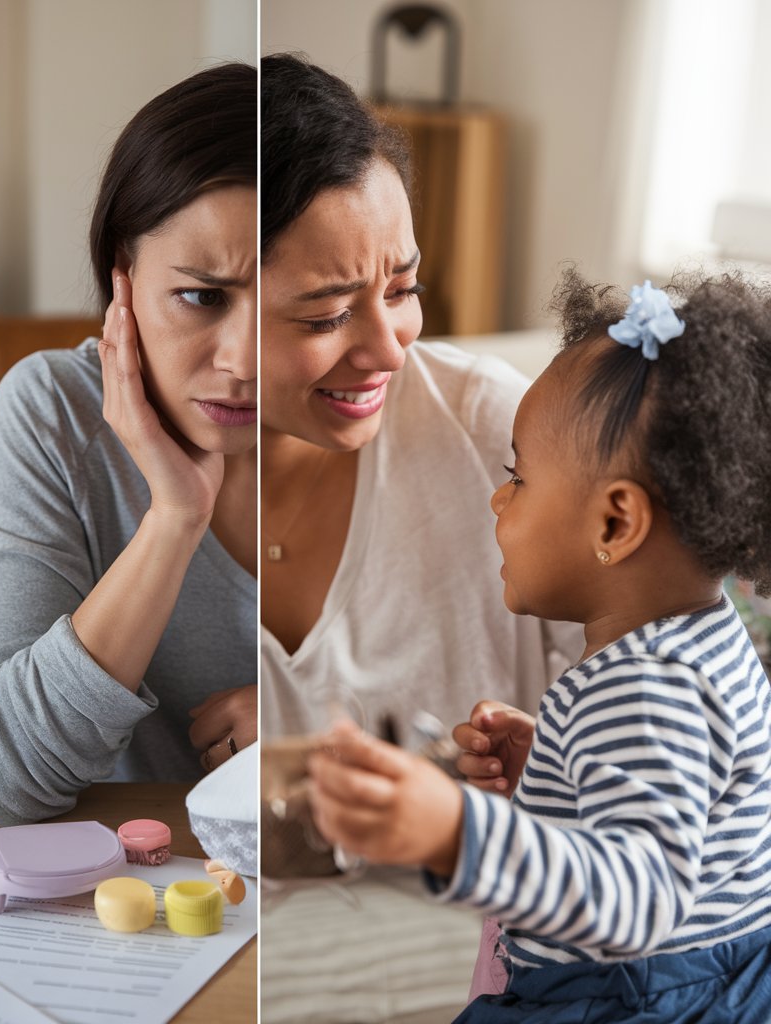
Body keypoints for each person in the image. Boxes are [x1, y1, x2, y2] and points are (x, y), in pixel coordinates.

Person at [308, 270, 771, 1022]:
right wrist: (560, 779)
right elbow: (687, 807)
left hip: (625, 1003)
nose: (498, 497)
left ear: (615, 525)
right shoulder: (698, 643)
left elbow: (638, 900)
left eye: (519, 477)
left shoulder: (646, 689)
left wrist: (458, 832)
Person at [259, 54, 579, 1023]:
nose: (389, 344)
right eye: (327, 312)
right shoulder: (130, 488)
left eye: (402, 286)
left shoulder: (508, 436)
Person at [0, 63, 257, 827]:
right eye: (201, 296)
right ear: (123, 277)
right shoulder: (52, 410)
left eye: (287, 307)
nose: (245, 363)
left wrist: (314, 729)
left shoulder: (359, 407)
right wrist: (173, 520)